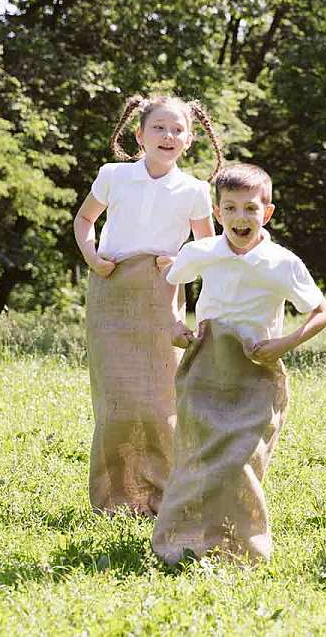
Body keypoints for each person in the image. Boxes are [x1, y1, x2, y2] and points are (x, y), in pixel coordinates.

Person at [153, 163, 326, 564]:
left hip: (256, 370)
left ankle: (241, 547)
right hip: (205, 366)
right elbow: (171, 281)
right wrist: (172, 323)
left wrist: (283, 344)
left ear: (266, 214)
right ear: (217, 214)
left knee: (240, 460)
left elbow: (322, 311)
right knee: (197, 455)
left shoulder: (281, 262)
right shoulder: (201, 252)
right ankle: (182, 542)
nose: (240, 217)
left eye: (250, 208)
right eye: (230, 208)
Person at [74, 94, 223, 516]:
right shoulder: (113, 176)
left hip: (162, 294)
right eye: (159, 127)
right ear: (139, 135)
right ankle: (114, 499)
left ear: (189, 140)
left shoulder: (194, 190)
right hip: (112, 292)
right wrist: (92, 256)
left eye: (178, 129)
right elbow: (84, 220)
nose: (168, 135)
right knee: (117, 401)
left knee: (159, 404)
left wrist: (180, 262)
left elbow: (207, 249)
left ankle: (161, 496)